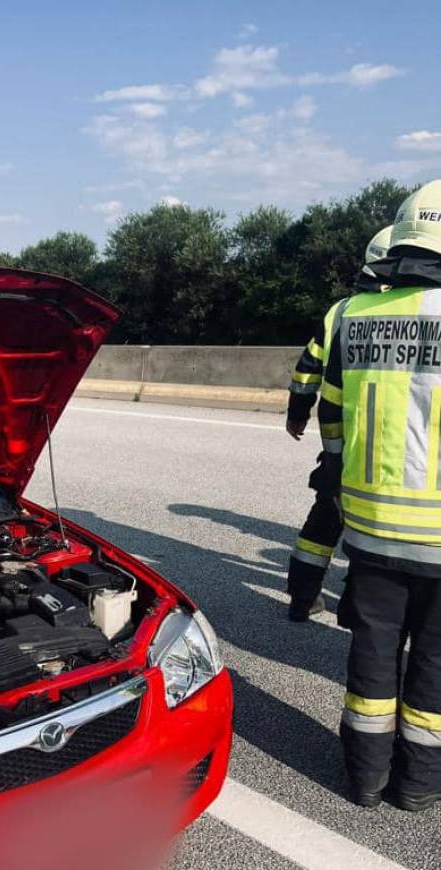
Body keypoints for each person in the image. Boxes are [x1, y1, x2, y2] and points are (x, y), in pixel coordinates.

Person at [314, 180, 441, 811]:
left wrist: (334, 483)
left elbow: (330, 416)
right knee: (435, 668)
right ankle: (417, 785)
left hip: (368, 529)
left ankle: (364, 778)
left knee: (372, 656)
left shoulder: (353, 315)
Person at [285, 225, 393, 621]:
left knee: (324, 520)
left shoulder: (342, 311)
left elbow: (307, 369)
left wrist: (297, 413)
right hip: (389, 445)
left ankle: (302, 597)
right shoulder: (410, 308)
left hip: (339, 442)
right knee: (375, 530)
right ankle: (355, 607)